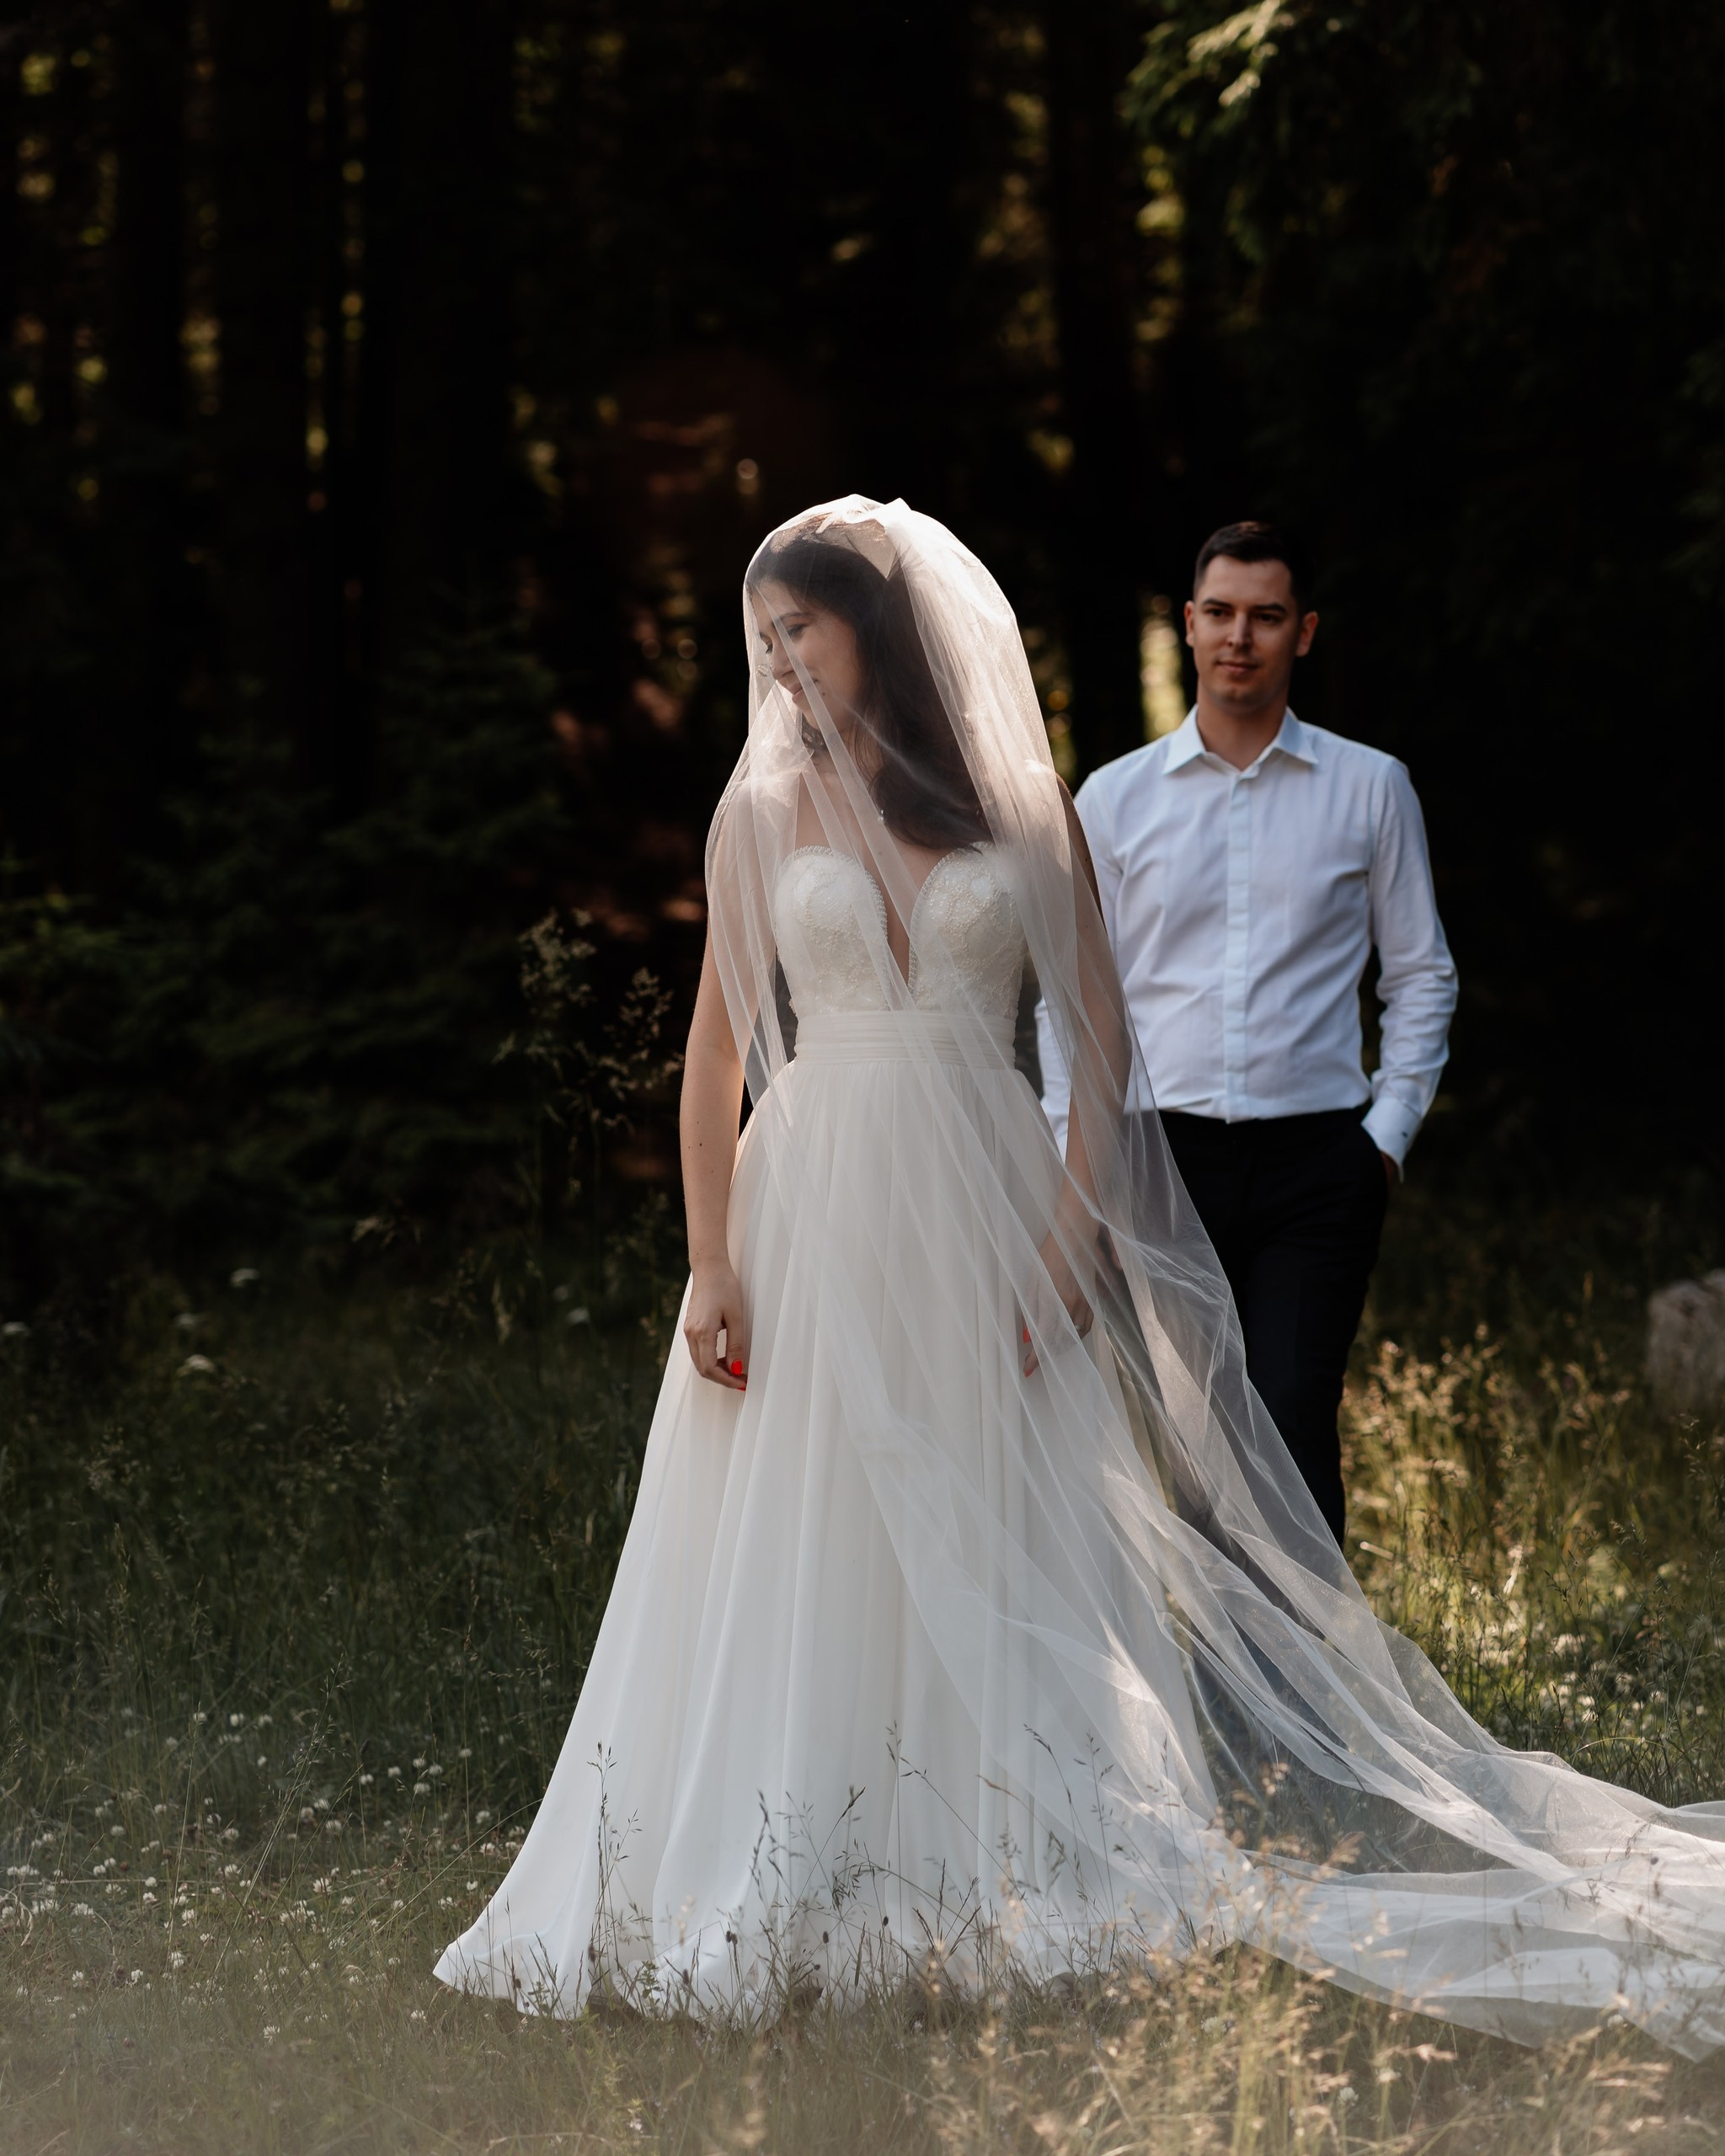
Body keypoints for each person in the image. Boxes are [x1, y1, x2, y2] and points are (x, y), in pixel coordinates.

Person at [437, 498, 1725, 2055]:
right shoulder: (756, 814)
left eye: (803, 630)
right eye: (762, 635)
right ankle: (791, 1851)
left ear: (879, 633)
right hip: (808, 1207)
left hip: (981, 1197)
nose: (776, 662)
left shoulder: (1020, 803)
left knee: (988, 1504)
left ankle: (996, 1843)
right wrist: (708, 1262)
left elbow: (1101, 1046)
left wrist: (1062, 1247)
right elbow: (716, 1050)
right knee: (801, 1513)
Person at [1037, 523, 1456, 1545]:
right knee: (1190, 1432)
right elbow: (1066, 995)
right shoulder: (1113, 799)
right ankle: (1212, 1691)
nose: (1240, 636)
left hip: (1319, 1162)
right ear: (1186, 626)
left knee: (1290, 1416)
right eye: (1219, 613)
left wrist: (1383, 1139)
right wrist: (1071, 1160)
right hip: (1157, 1157)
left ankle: (1307, 1696)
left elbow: (1420, 976)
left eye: (1266, 616)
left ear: (1301, 633)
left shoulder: (1370, 787)